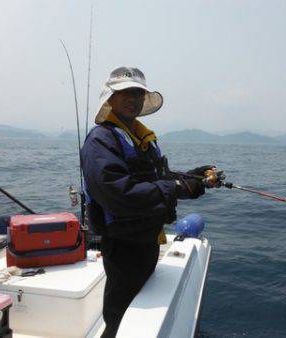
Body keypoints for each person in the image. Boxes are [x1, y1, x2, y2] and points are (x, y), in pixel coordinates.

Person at [81, 67, 213, 338]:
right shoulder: (101, 140)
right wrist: (176, 187)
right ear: (110, 99)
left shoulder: (137, 137)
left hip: (146, 238)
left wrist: (190, 178)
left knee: (137, 301)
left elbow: (156, 178)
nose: (133, 98)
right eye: (125, 93)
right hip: (123, 243)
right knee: (121, 310)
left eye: (138, 93)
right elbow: (118, 194)